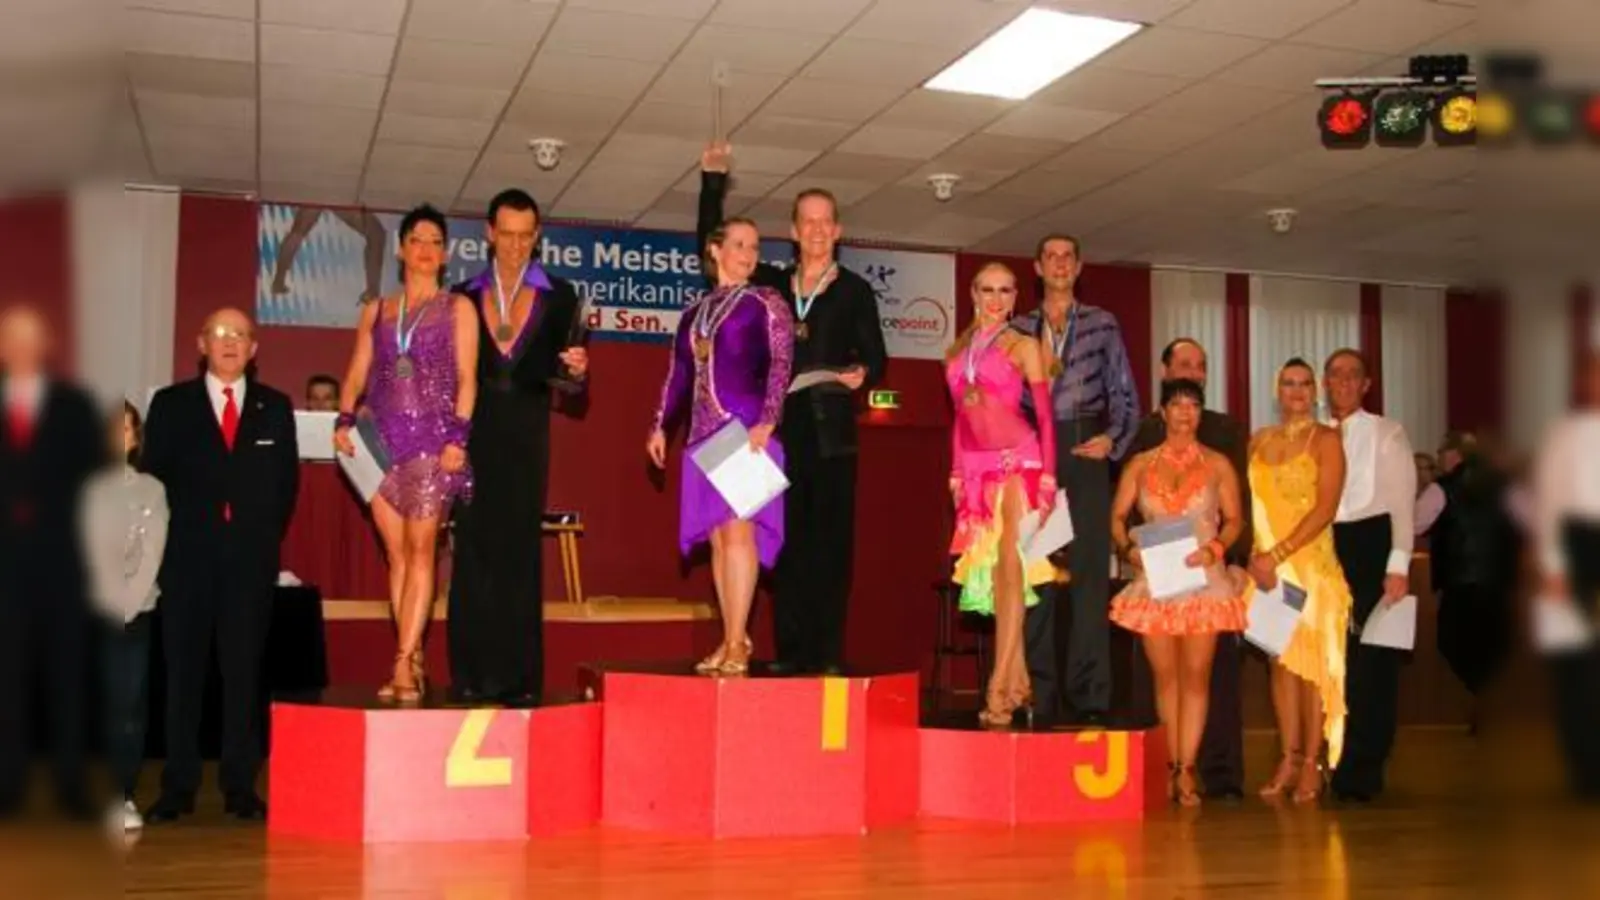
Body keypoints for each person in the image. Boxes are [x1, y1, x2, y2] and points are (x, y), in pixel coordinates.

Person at [699, 141, 886, 675]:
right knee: (782, 541)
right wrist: (713, 186)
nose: (818, 231)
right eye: (808, 222)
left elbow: (876, 357)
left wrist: (861, 373)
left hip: (830, 430)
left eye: (826, 222)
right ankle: (789, 652)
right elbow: (712, 259)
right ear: (794, 230)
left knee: (830, 544)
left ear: (838, 231)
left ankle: (824, 654)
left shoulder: (854, 291)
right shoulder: (771, 286)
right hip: (775, 430)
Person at [142, 307, 298, 822]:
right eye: (220, 333)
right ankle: (178, 785)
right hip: (186, 562)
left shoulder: (275, 408)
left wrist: (254, 540)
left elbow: (284, 488)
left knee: (243, 675)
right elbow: (154, 482)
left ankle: (239, 786)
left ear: (254, 349)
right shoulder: (169, 405)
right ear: (201, 343)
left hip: (249, 565)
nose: (230, 342)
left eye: (241, 335)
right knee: (183, 676)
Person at [448, 188, 588, 707]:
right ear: (488, 233)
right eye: (505, 234)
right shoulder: (461, 295)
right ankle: (468, 678)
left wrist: (576, 373)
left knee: (520, 555)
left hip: (528, 435)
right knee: (472, 553)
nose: (514, 245)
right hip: (472, 435)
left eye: (525, 236)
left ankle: (520, 680)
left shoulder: (561, 295)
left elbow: (569, 385)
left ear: (537, 237)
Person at [334, 204, 477, 703]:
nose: (426, 250)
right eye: (417, 240)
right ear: (400, 249)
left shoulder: (458, 308)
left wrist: (458, 436)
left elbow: (467, 378)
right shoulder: (376, 311)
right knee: (395, 555)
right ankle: (412, 654)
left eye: (436, 242)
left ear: (445, 253)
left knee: (422, 553)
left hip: (434, 447)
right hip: (380, 445)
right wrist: (344, 416)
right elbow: (356, 371)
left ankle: (401, 662)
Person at [648, 216, 794, 676]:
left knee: (739, 534)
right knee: (718, 539)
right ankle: (732, 636)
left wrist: (769, 419)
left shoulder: (765, 301)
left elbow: (781, 363)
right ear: (715, 250)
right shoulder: (693, 313)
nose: (748, 253)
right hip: (702, 437)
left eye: (754, 245)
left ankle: (736, 641)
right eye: (738, 244)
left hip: (744, 429)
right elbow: (678, 375)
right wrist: (658, 426)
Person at [1010, 235, 1139, 726]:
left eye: (1068, 257)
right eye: (1051, 257)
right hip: (1035, 454)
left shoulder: (1103, 323)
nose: (1060, 264)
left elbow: (1125, 392)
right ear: (1038, 268)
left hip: (1086, 449)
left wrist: (1113, 439)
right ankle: (1037, 695)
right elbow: (1003, 398)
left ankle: (1090, 696)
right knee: (1035, 575)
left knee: (1088, 575)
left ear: (1079, 266)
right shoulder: (1019, 329)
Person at [1111, 377, 1249, 806]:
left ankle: (1187, 770)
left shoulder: (1218, 464)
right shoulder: (1139, 465)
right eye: (1177, 404)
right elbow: (1116, 517)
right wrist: (1128, 548)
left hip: (1202, 582)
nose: (1185, 412)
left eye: (1193, 405)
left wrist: (1215, 549)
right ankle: (1169, 765)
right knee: (1165, 676)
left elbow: (1234, 520)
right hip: (1155, 579)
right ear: (1163, 412)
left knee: (1196, 677)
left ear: (1200, 413)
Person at [0, 306, 104, 819]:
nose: (20, 348)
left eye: (30, 338)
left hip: (62, 563)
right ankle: (8, 784)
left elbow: (94, 476)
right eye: (11, 338)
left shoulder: (74, 405)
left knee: (67, 676)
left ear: (46, 345)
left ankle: (70, 784)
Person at [946, 263, 1057, 728]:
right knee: (995, 577)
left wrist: (1049, 478)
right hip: (975, 470)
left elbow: (1047, 418)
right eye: (987, 290)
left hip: (1020, 462)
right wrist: (954, 471)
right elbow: (958, 416)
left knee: (1012, 572)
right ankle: (1017, 680)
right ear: (973, 293)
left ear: (1015, 298)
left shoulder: (1025, 345)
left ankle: (997, 684)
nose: (995, 298)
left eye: (1004, 291)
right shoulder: (956, 351)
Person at [1246, 358, 1352, 805]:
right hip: (1267, 572)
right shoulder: (1258, 440)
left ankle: (1313, 761)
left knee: (1310, 670)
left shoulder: (1326, 439)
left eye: (1305, 384)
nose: (1296, 391)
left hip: (1310, 569)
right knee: (1281, 666)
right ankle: (1287, 757)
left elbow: (1325, 509)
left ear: (1316, 391)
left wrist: (1279, 554)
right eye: (1288, 383)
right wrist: (1256, 559)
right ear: (1277, 390)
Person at [1323, 348, 1416, 804]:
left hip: (1371, 544)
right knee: (1332, 659)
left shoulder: (1387, 432)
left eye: (1351, 375)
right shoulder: (1316, 436)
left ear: (1366, 384)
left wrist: (1397, 566)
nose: (1341, 381)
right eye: (1334, 374)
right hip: (1325, 545)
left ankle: (1363, 768)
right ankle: (1330, 758)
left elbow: (1402, 501)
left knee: (1372, 665)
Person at [80, 401, 168, 832]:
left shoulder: (150, 490)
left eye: (127, 430)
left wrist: (122, 606)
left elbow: (151, 555)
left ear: (135, 440)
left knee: (126, 710)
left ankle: (122, 796)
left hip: (130, 614)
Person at [1532, 348, 1600, 799]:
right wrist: (1553, 565)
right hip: (1577, 545)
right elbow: (1549, 502)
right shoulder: (1564, 434)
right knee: (1577, 663)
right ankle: (1586, 768)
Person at [1414, 431, 1517, 720]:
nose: (1439, 462)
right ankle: (1489, 700)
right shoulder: (1504, 487)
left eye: (1441, 456)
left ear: (1454, 455)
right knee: (1495, 647)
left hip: (1459, 582)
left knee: (1451, 643)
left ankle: (1482, 696)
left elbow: (1414, 524)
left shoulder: (1441, 489)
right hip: (1499, 582)